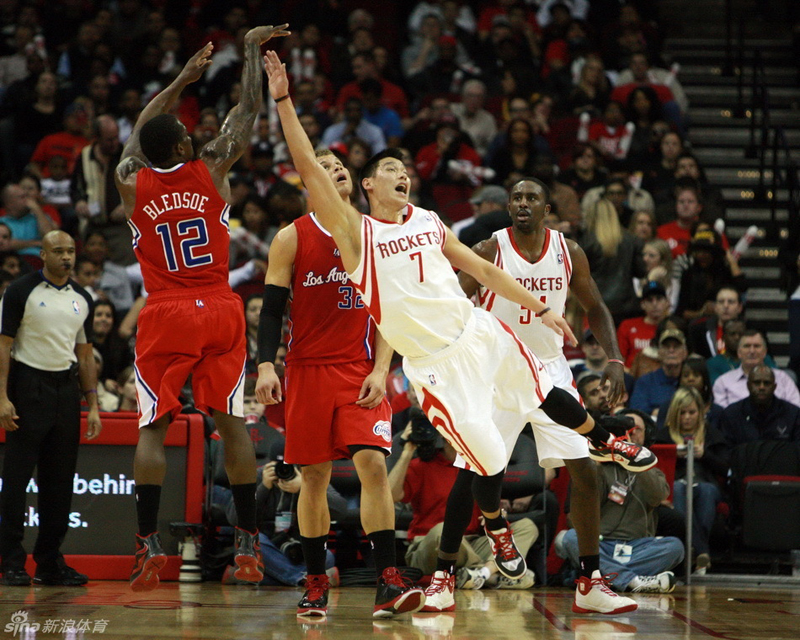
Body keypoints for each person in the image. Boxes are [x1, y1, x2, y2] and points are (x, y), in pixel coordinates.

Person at [266, 50, 655, 617]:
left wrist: (539, 308)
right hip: (436, 365)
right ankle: (495, 529)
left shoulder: (427, 220)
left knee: (546, 393)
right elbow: (306, 163)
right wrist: (282, 100)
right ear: (367, 185)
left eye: (407, 169)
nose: (403, 174)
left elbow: (486, 272)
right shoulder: (356, 234)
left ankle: (605, 438)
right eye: (391, 170)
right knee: (488, 460)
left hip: (481, 332)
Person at [113, 25, 291, 593]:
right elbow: (247, 111)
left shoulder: (129, 181)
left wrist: (178, 81)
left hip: (164, 309)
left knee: (153, 425)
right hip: (217, 303)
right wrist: (249, 51)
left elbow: (140, 131)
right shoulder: (211, 167)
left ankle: (147, 541)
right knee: (230, 422)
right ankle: (246, 539)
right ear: (186, 148)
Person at [427, 176, 641, 614]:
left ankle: (590, 581)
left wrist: (615, 359)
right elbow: (451, 305)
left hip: (549, 371)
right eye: (516, 197)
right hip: (494, 374)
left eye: (532, 198)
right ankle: (443, 577)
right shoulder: (490, 249)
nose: (523, 203)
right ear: (509, 206)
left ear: (547, 208)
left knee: (585, 473)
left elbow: (596, 306)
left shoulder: (569, 251)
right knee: (472, 476)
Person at [254, 146, 421, 619]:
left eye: (341, 167)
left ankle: (388, 580)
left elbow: (391, 309)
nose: (337, 172)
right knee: (314, 476)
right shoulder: (291, 237)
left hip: (359, 369)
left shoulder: (376, 233)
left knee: (371, 463)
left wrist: (381, 368)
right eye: (324, 168)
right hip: (307, 370)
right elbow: (270, 310)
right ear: (309, 182)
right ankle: (314, 581)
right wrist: (267, 365)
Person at [0, 230, 102, 586]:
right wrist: (2, 397)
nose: (66, 257)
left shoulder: (83, 297)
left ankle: (48, 562)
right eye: (58, 251)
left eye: (71, 251)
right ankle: (11, 562)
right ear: (42, 255)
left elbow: (85, 353)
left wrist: (92, 404)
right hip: (27, 386)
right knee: (15, 481)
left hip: (65, 390)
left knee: (59, 483)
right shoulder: (20, 292)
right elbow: (4, 346)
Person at [559, 411, 684, 593]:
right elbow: (579, 514)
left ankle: (607, 577)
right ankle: (632, 580)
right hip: (600, 544)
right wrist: (600, 459)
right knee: (569, 538)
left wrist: (635, 457)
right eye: (626, 432)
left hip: (638, 546)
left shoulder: (651, 468)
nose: (630, 436)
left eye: (635, 431)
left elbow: (657, 496)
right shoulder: (594, 467)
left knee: (675, 547)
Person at [655, 387, 730, 574]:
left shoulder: (712, 434)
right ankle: (701, 550)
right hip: (675, 484)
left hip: (705, 483)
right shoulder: (663, 436)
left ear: (701, 412)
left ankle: (692, 549)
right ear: (674, 413)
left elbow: (726, 468)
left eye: (691, 412)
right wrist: (674, 455)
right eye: (682, 413)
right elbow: (655, 466)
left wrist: (705, 455)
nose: (687, 417)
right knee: (679, 489)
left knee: (706, 491)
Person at [712, 330, 800, 409]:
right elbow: (722, 416)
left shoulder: (783, 378)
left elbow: (796, 409)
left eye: (757, 346)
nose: (752, 351)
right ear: (739, 353)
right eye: (747, 346)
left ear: (765, 352)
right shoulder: (723, 382)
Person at [719, 365, 800, 446]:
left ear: (774, 387)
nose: (762, 387)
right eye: (757, 383)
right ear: (748, 386)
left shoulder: (793, 414)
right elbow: (726, 452)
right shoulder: (731, 414)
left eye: (767, 383)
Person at [629, 328, 688, 416]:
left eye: (676, 346)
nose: (671, 350)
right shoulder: (645, 382)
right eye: (666, 346)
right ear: (659, 352)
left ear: (685, 353)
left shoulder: (692, 379)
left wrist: (659, 412)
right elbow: (637, 411)